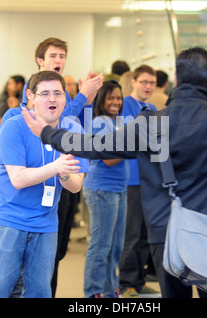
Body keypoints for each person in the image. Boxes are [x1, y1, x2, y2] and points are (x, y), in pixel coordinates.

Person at [22, 46, 207, 298]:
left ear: (176, 80)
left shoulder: (151, 124)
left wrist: (49, 134)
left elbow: (94, 146)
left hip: (166, 233)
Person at [1, 37, 103, 298]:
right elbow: (19, 177)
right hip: (15, 212)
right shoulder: (19, 116)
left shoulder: (68, 112)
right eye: (53, 55)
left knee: (48, 268)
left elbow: (75, 125)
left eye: (62, 56)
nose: (58, 60)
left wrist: (87, 102)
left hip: (53, 203)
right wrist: (82, 96)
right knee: (6, 283)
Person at [0, 70, 89, 298]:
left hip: (46, 222)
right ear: (30, 95)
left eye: (58, 93)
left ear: (65, 98)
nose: (52, 99)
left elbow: (75, 186)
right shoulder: (14, 126)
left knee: (40, 291)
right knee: (1, 289)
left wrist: (62, 174)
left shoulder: (74, 131)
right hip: (10, 219)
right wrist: (56, 167)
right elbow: (18, 179)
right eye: (45, 93)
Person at [83, 80, 129, 298]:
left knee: (115, 247)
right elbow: (109, 159)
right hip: (102, 189)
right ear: (101, 100)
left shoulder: (116, 122)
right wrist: (136, 144)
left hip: (119, 189)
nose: (116, 102)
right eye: (111, 97)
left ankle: (111, 291)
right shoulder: (100, 122)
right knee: (101, 247)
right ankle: (94, 292)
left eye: (118, 98)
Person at [116, 64, 159, 298]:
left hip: (149, 179)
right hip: (131, 179)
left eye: (151, 83)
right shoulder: (125, 105)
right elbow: (132, 138)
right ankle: (126, 283)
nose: (148, 87)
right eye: (144, 82)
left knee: (145, 234)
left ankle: (139, 281)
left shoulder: (151, 107)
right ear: (133, 82)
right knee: (131, 233)